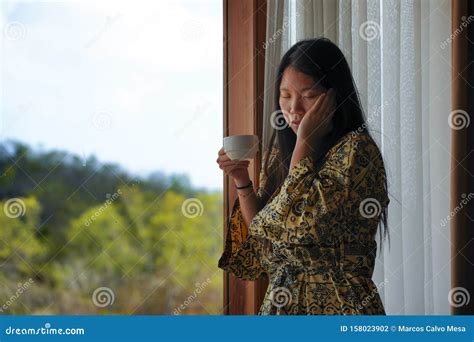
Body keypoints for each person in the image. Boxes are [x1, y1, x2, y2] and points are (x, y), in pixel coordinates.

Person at [216, 37, 389, 315]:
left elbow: (298, 224)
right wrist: (241, 180)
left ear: (334, 95)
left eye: (308, 96)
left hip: (340, 306)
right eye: (285, 95)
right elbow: (267, 240)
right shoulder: (280, 153)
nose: (294, 108)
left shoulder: (357, 151)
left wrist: (304, 141)